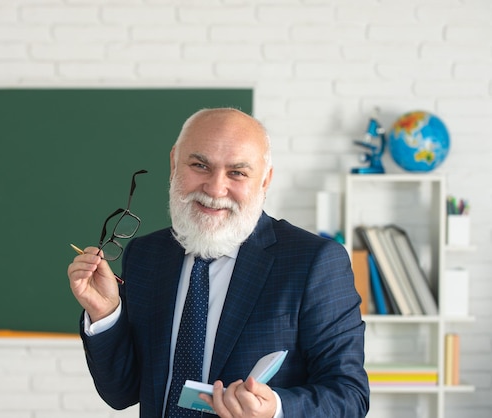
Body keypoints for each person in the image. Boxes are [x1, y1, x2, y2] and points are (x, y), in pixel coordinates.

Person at [68, 108, 369, 418]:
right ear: (174, 163)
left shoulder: (315, 262)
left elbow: (349, 396)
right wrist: (104, 314)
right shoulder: (145, 255)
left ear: (265, 180)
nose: (214, 189)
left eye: (237, 172)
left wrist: (275, 409)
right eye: (200, 165)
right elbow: (121, 393)